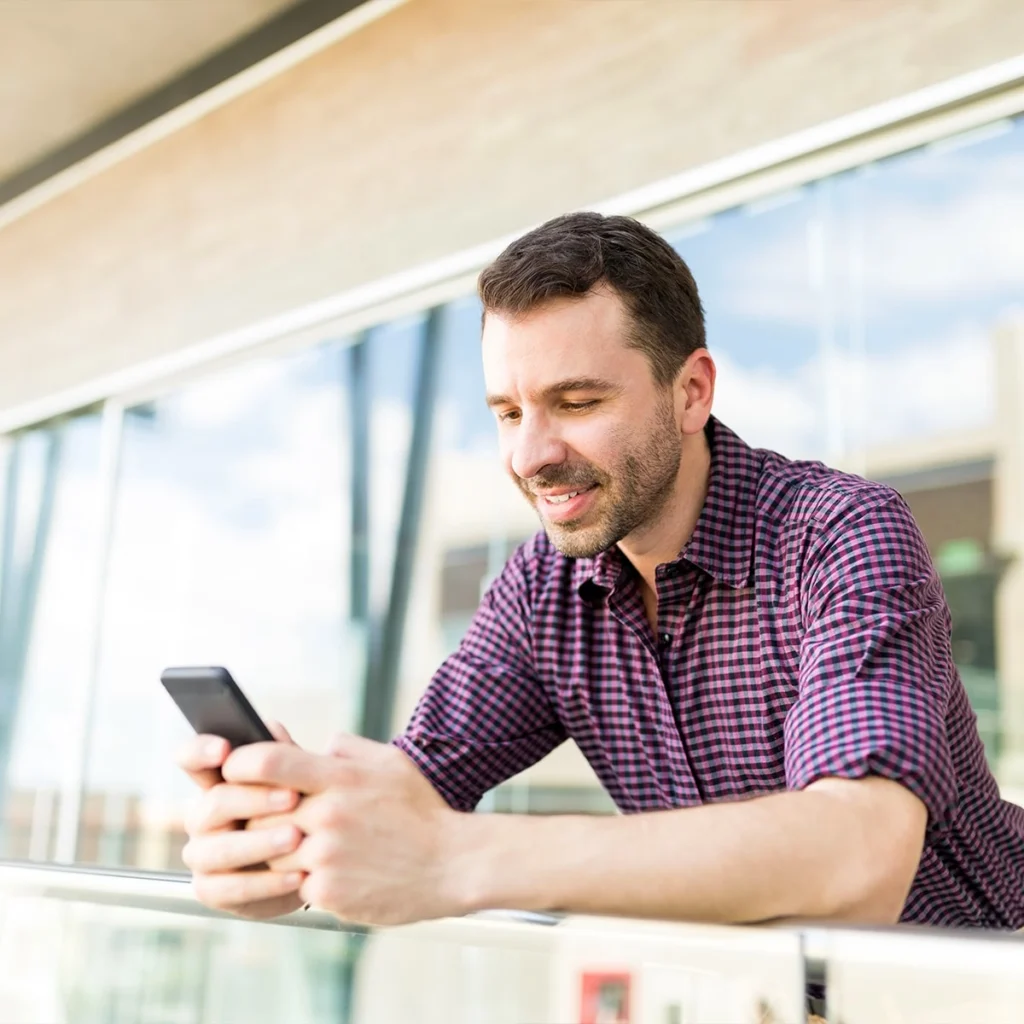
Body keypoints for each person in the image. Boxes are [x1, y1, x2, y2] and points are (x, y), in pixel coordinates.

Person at [177, 212, 1024, 930]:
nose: (532, 455)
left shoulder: (837, 533)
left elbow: (860, 853)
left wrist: (454, 860)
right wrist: (289, 833)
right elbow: (415, 789)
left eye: (578, 403)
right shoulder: (541, 590)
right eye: (509, 413)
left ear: (692, 391)